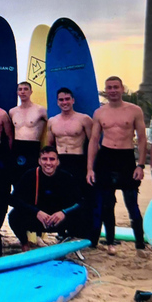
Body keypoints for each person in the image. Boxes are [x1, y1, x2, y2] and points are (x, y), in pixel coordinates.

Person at [86, 77, 148, 256]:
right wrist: (90, 168)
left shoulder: (134, 110)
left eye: (115, 87)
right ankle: (111, 242)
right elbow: (94, 140)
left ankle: (140, 245)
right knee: (107, 204)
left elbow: (142, 139)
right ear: (105, 90)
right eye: (109, 88)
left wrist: (141, 165)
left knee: (132, 204)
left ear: (122, 89)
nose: (112, 90)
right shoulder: (99, 112)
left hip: (126, 158)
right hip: (106, 157)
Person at [8, 147, 84, 251]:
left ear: (58, 161)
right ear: (39, 161)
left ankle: (67, 240)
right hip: (38, 219)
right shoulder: (30, 175)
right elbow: (13, 199)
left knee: (81, 215)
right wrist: (36, 212)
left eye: (52, 159)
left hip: (58, 219)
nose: (48, 163)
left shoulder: (66, 177)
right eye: (44, 159)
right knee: (14, 215)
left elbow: (81, 201)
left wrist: (64, 213)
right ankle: (24, 243)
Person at [47, 87, 94, 240]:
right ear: (57, 102)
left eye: (67, 99)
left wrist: (90, 168)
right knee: (61, 197)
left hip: (78, 161)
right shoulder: (52, 121)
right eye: (61, 99)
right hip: (60, 163)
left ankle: (80, 233)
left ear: (73, 100)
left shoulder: (84, 119)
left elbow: (93, 144)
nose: (64, 102)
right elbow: (50, 147)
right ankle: (62, 232)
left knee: (80, 197)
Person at [9, 82, 47, 177]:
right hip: (17, 146)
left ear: (31, 92)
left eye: (25, 89)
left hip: (33, 147)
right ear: (17, 92)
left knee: (33, 177)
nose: (23, 92)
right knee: (16, 177)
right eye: (20, 89)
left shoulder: (40, 110)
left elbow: (52, 126)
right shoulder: (12, 111)